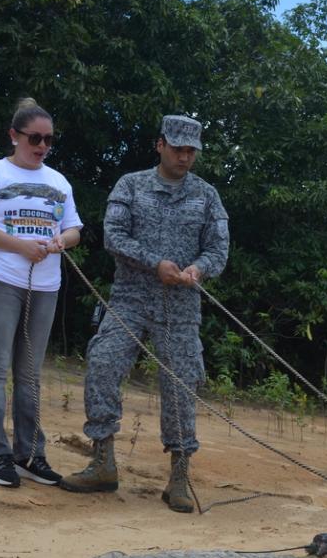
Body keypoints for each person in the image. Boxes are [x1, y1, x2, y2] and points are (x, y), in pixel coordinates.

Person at [59, 115, 229, 513]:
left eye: (191, 151)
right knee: (102, 364)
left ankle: (179, 477)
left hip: (181, 307)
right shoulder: (131, 185)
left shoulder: (206, 195)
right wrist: (156, 263)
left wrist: (198, 269)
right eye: (178, 148)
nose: (185, 157)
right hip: (130, 299)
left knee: (181, 386)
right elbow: (114, 237)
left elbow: (218, 250)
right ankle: (102, 463)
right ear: (160, 145)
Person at [0, 97, 83, 488]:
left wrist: (61, 241)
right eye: (34, 138)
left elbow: (74, 230)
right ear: (14, 136)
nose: (42, 146)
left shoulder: (59, 182)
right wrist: (19, 246)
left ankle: (30, 455)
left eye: (48, 140)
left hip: (45, 286)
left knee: (29, 375)